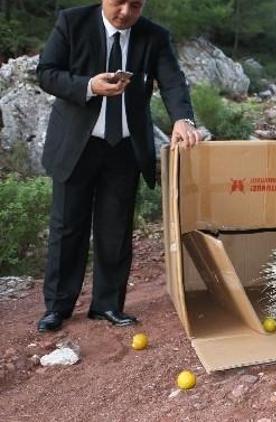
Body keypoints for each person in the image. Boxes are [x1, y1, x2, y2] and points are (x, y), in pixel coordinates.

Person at [36, 0, 203, 332]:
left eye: (135, 5)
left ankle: (108, 305)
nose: (125, 11)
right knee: (67, 228)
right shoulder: (72, 22)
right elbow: (46, 73)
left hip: (124, 148)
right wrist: (88, 86)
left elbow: (173, 82)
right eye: (118, 2)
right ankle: (58, 307)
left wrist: (183, 119)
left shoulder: (155, 36)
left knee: (115, 230)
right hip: (75, 146)